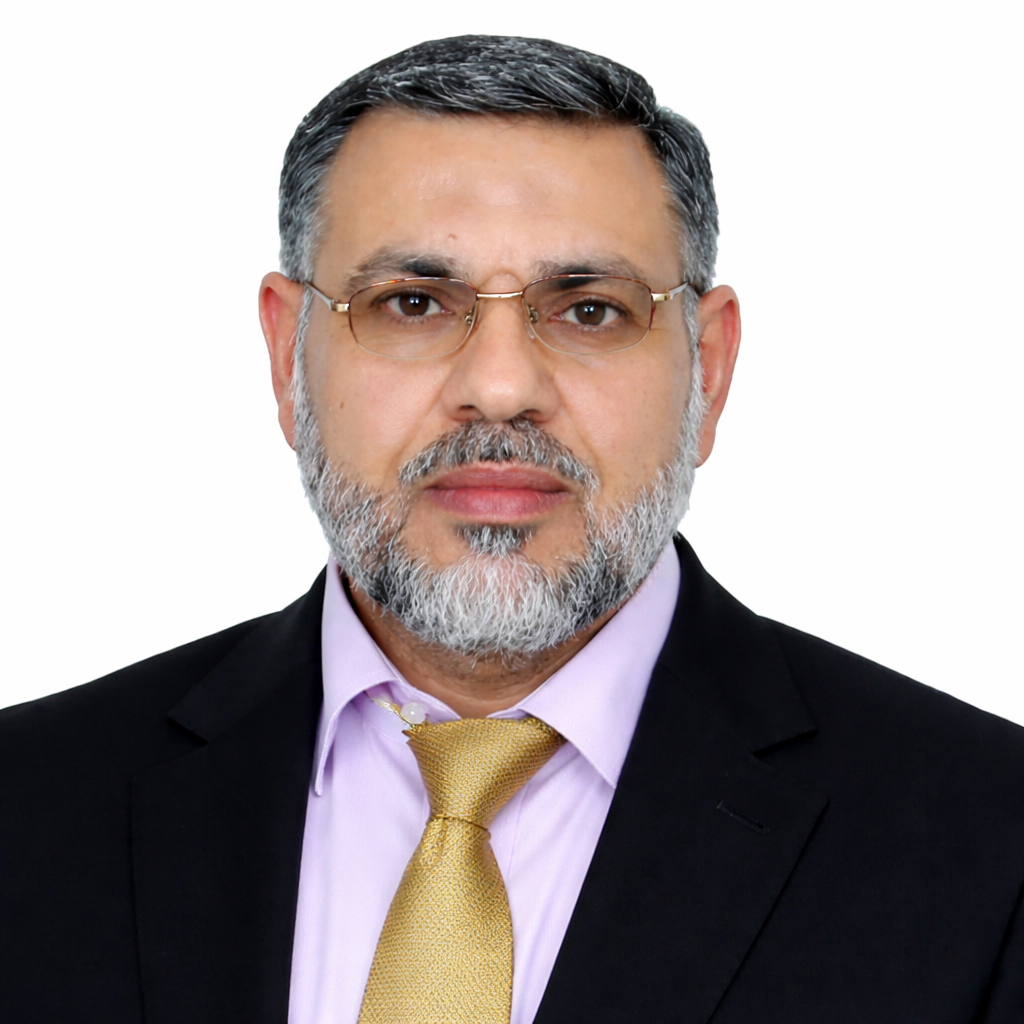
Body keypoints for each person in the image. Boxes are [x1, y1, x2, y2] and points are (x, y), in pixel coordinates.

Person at [1, 34, 1022, 1024]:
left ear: (708, 368)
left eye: (590, 310)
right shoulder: (28, 804)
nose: (499, 388)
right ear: (286, 354)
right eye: (412, 303)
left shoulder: (990, 842)